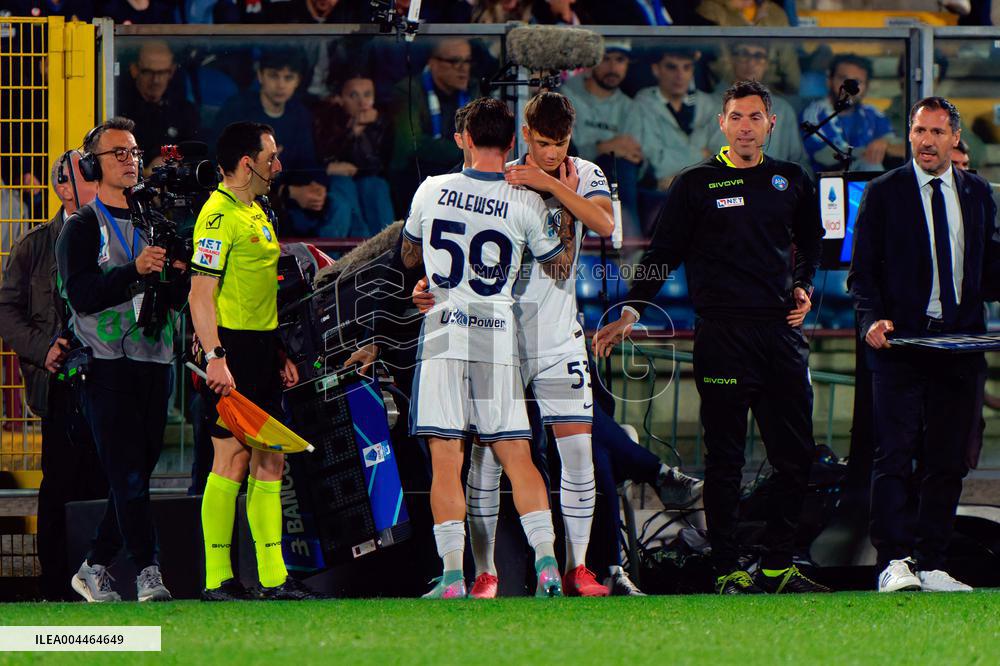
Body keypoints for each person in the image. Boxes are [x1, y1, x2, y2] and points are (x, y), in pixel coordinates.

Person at [594, 81, 830, 595]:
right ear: (721, 123)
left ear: (771, 124)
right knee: (725, 461)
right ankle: (726, 568)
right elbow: (663, 253)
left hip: (781, 334)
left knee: (795, 459)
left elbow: (812, 241)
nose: (745, 127)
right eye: (736, 117)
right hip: (723, 335)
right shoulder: (695, 183)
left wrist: (804, 285)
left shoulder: (792, 180)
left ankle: (777, 566)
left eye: (755, 117)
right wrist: (631, 308)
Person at [401, 97, 575, 599]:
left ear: (467, 139)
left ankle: (453, 577)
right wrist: (560, 202)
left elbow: (409, 254)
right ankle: (547, 567)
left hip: (443, 332)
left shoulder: (431, 189)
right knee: (518, 457)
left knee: (446, 461)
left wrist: (428, 280)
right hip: (496, 334)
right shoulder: (527, 201)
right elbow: (561, 266)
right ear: (513, 141)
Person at [848, 97, 1000, 593]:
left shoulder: (978, 192)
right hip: (902, 344)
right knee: (893, 456)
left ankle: (932, 562)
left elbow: (988, 269)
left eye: (936, 132)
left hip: (961, 344)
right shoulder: (883, 192)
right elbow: (861, 273)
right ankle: (893, 561)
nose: (926, 141)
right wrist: (871, 319)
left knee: (948, 460)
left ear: (955, 138)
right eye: (919, 131)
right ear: (909, 135)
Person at [55, 117, 186, 602]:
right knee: (127, 472)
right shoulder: (81, 227)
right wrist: (135, 269)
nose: (130, 161)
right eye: (118, 153)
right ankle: (148, 570)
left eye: (133, 152)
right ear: (93, 165)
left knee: (136, 472)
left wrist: (177, 275)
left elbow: (175, 297)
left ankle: (94, 566)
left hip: (155, 356)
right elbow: (81, 295)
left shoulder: (156, 223)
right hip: (104, 363)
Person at [188, 121, 315, 601]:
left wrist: (278, 350)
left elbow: (263, 291)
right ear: (247, 163)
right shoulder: (217, 218)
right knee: (232, 459)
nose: (277, 165)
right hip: (233, 351)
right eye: (270, 158)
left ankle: (271, 578)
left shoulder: (257, 210)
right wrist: (216, 357)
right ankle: (219, 579)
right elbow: (200, 295)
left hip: (261, 350)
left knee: (269, 458)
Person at [0, 150, 107, 601]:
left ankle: (101, 577)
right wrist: (43, 349)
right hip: (59, 384)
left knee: (105, 482)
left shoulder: (117, 237)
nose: (96, 182)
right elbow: (7, 311)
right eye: (87, 175)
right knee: (60, 482)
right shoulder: (34, 245)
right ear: (63, 187)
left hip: (107, 377)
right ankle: (55, 586)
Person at [211, 48, 328, 236]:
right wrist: (288, 192)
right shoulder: (236, 110)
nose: (281, 85)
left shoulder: (300, 114)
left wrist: (316, 187)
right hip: (246, 201)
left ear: (298, 81)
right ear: (260, 75)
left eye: (288, 78)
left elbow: (308, 162)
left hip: (291, 202)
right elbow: (226, 168)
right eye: (274, 76)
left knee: (338, 202)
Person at [560, 40, 643, 238]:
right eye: (606, 59)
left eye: (620, 60)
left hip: (615, 176)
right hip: (572, 174)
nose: (613, 68)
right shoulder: (566, 96)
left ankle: (627, 245)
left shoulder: (630, 107)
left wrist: (601, 150)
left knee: (621, 167)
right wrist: (604, 146)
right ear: (591, 62)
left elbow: (633, 154)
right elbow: (566, 151)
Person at [389, 38, 479, 214]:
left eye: (467, 61)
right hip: (415, 178)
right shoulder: (407, 91)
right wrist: (463, 149)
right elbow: (411, 144)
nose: (463, 68)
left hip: (463, 174)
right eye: (454, 61)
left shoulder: (474, 89)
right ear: (433, 63)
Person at [624, 48, 723, 192]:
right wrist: (701, 154)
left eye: (686, 67)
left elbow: (722, 157)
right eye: (672, 67)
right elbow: (653, 163)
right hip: (661, 194)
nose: (680, 75)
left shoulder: (710, 105)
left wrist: (679, 179)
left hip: (706, 190)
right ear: (656, 70)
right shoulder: (641, 105)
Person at [311, 71, 394, 237]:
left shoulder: (382, 122)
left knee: (376, 186)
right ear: (340, 99)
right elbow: (324, 158)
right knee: (342, 184)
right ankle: (357, 243)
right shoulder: (326, 119)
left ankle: (387, 244)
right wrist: (351, 132)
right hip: (337, 180)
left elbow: (377, 165)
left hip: (368, 180)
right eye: (353, 96)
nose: (362, 102)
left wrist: (366, 130)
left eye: (367, 95)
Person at [800, 54, 904, 174]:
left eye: (857, 82)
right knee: (871, 165)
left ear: (867, 87)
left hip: (862, 178)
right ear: (829, 81)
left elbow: (898, 147)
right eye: (843, 79)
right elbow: (824, 157)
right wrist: (871, 150)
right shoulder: (814, 114)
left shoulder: (872, 114)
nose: (849, 88)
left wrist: (885, 144)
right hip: (827, 181)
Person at [719, 40, 808, 172]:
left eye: (758, 56)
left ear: (767, 63)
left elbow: (798, 161)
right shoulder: (712, 105)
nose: (751, 62)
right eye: (744, 54)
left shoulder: (783, 110)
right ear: (732, 59)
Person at [119, 40, 200, 168]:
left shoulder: (184, 112)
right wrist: (143, 171)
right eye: (148, 72)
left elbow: (194, 153)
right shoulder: (117, 108)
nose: (156, 80)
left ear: (172, 71)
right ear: (134, 69)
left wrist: (170, 161)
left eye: (162, 72)